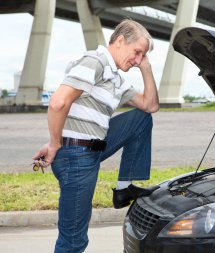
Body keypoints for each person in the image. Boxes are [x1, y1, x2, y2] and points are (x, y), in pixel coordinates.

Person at [32, 19, 159, 252]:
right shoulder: (95, 61)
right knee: (73, 239)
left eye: (142, 56)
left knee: (141, 119)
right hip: (77, 158)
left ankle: (124, 188)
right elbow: (59, 102)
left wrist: (146, 69)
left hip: (89, 148)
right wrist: (55, 143)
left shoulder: (116, 79)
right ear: (120, 41)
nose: (138, 60)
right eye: (137, 52)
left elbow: (150, 105)